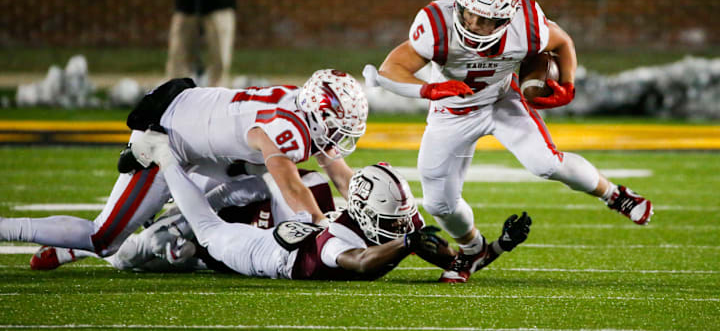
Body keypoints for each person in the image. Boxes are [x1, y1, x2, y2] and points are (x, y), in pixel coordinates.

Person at [363, 0, 653, 284]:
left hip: (502, 100)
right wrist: (430, 88)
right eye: (469, 13)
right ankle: (474, 251)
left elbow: (562, 43)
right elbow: (390, 70)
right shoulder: (437, 24)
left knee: (546, 163)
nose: (474, 24)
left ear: (507, 16)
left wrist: (567, 85)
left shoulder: (526, 24)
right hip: (452, 112)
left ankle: (615, 195)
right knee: (438, 203)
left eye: (487, 19)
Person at [0, 69, 368, 270]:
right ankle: (9, 229)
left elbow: (339, 173)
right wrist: (323, 227)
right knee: (104, 236)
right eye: (336, 125)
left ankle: (83, 250)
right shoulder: (289, 128)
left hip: (200, 134)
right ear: (318, 114)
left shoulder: (301, 107)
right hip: (167, 136)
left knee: (236, 188)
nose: (339, 136)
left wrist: (372, 215)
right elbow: (292, 188)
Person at [119, 146, 531, 280]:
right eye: (394, 225)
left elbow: (459, 264)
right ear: (367, 214)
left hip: (271, 247)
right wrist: (405, 242)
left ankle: (176, 236)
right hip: (281, 244)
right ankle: (171, 166)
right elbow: (364, 262)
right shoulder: (343, 241)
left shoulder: (395, 222)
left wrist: (499, 245)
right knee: (207, 221)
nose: (403, 227)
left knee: (182, 248)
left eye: (403, 223)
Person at [32, 169, 336, 271]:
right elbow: (223, 195)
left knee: (154, 256)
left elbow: (250, 259)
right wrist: (184, 225)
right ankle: (79, 248)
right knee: (132, 252)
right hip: (205, 210)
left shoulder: (321, 231)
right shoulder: (296, 183)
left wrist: (201, 254)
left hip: (222, 250)